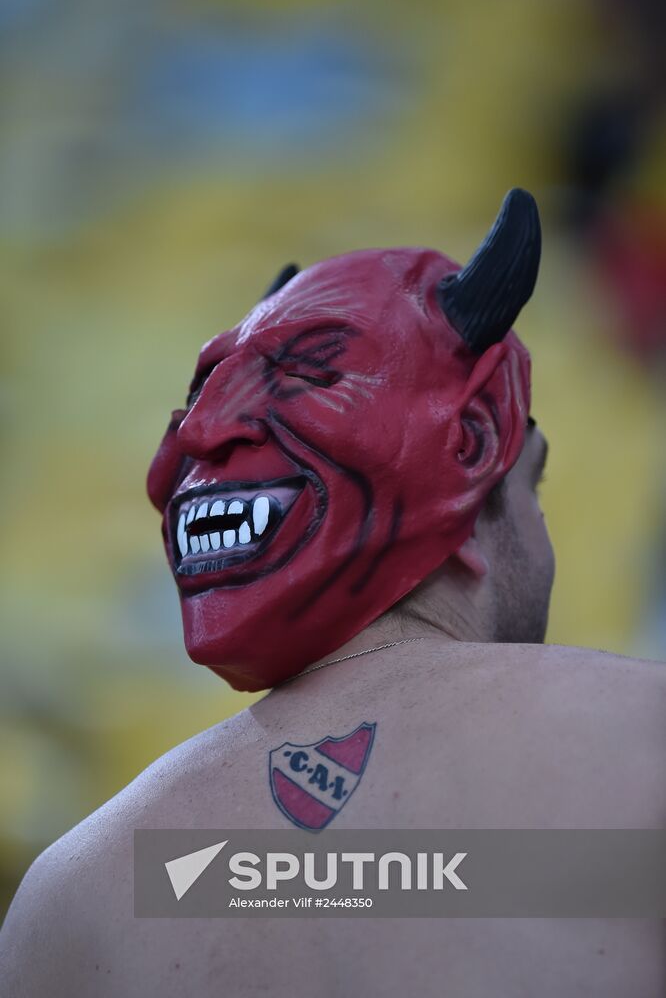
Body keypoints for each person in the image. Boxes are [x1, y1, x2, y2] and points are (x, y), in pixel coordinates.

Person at [1, 190, 664, 997]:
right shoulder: (642, 745)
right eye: (536, 491)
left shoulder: (68, 900)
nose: (201, 433)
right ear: (471, 450)